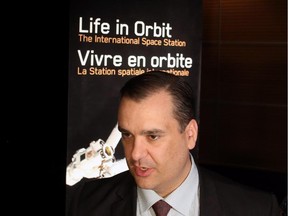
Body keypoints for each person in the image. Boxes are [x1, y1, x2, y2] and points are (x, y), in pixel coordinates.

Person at [66, 70, 281, 216]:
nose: (135, 154)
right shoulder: (86, 204)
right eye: (128, 135)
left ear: (190, 134)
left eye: (153, 136)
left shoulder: (257, 209)